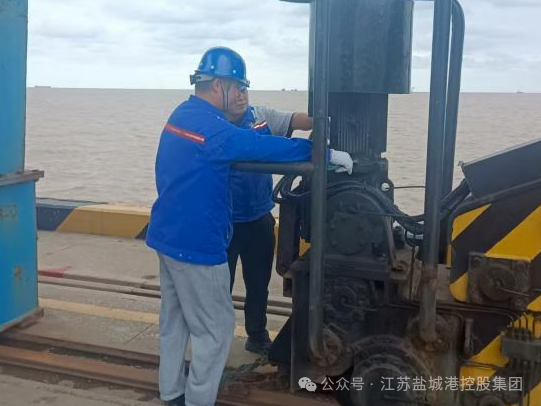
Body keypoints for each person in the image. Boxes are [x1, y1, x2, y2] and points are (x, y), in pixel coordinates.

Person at [146, 46, 353, 406]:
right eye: (238, 86)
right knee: (216, 329)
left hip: (166, 237)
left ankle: (171, 392)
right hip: (198, 244)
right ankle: (197, 401)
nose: (243, 93)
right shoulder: (214, 130)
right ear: (218, 86)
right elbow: (262, 147)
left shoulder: (181, 115)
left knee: (174, 322)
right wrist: (322, 154)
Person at [225, 91, 313, 355]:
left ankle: (257, 335)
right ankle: (217, 338)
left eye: (244, 90)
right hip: (223, 223)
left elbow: (297, 120)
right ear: (219, 92)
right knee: (219, 286)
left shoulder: (261, 116)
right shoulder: (214, 125)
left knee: (258, 283)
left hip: (259, 219)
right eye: (234, 91)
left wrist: (326, 117)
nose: (241, 97)